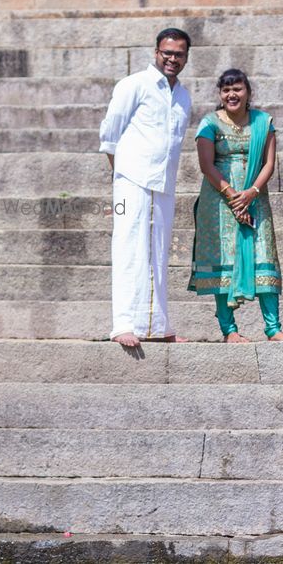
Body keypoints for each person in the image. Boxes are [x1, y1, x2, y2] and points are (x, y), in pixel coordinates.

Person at [99, 28, 192, 347]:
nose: (172, 58)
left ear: (186, 57)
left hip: (163, 183)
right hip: (131, 180)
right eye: (167, 52)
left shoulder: (183, 95)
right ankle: (123, 324)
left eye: (179, 54)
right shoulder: (133, 85)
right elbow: (110, 136)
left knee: (158, 252)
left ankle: (157, 324)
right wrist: (124, 176)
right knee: (128, 248)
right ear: (156, 52)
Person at [188, 69, 283, 343]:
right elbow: (206, 165)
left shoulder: (263, 122)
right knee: (225, 260)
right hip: (219, 200)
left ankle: (273, 328)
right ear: (220, 94)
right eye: (226, 90)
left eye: (238, 89)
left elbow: (269, 163)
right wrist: (234, 196)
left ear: (248, 92)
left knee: (263, 254)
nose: (232, 94)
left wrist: (251, 193)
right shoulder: (209, 123)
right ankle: (229, 330)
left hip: (255, 197)